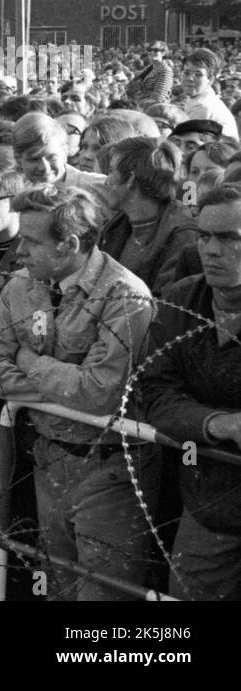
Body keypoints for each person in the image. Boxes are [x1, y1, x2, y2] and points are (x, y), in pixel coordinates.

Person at [0, 186, 159, 600]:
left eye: (31, 241)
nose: (18, 250)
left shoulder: (123, 295)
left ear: (70, 244)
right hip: (50, 456)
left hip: (109, 468)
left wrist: (25, 361)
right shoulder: (20, 287)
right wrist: (65, 382)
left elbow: (99, 394)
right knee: (57, 585)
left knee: (103, 596)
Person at [139, 185, 241, 600]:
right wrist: (220, 424)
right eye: (204, 236)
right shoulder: (185, 299)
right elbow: (154, 391)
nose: (211, 250)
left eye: (230, 238)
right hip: (211, 503)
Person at [97, 136, 197, 296]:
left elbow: (167, 302)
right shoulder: (116, 226)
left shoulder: (183, 234)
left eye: (111, 171)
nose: (106, 182)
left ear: (130, 179)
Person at [181, 49, 239, 140]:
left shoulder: (203, 106)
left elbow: (185, 142)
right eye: (186, 73)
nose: (190, 78)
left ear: (211, 79)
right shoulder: (198, 98)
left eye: (198, 74)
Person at [125, 40, 173, 108]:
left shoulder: (165, 70)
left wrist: (138, 106)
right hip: (140, 105)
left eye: (156, 50)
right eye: (150, 50)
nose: (152, 52)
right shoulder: (149, 68)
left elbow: (159, 97)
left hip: (154, 109)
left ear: (163, 52)